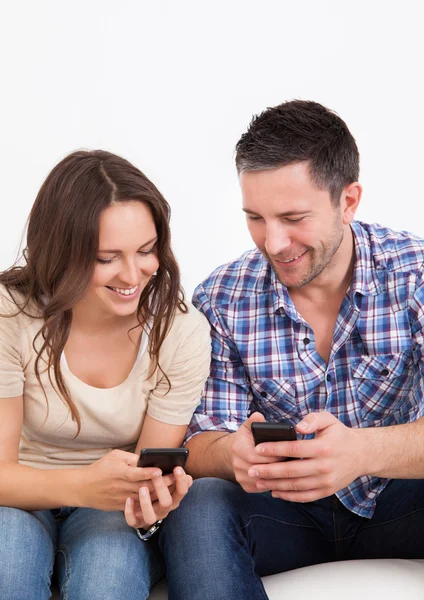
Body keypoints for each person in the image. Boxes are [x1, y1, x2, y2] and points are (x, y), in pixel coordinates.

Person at [159, 100, 424, 600]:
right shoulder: (222, 296)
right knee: (199, 505)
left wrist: (363, 451)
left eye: (293, 217)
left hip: (397, 499)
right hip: (281, 510)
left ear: (349, 201)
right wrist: (232, 454)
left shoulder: (416, 274)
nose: (273, 241)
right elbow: (195, 443)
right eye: (255, 217)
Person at [0, 150, 211, 600]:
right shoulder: (9, 314)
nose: (133, 275)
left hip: (112, 504)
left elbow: (148, 466)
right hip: (17, 490)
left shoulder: (181, 332)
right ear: (63, 251)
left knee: (107, 584)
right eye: (106, 257)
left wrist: (150, 504)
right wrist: (81, 485)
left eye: (146, 250)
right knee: (8, 571)